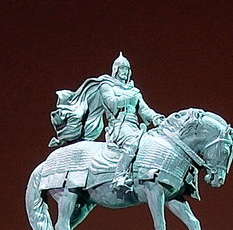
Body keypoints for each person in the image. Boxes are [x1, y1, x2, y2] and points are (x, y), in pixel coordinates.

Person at [49, 53, 165, 187]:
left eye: (127, 69)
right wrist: (129, 99)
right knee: (131, 144)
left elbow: (145, 110)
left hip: (135, 127)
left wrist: (157, 118)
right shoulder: (106, 85)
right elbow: (111, 102)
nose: (124, 72)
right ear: (115, 70)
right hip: (119, 128)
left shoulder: (134, 90)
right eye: (122, 68)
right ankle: (119, 175)